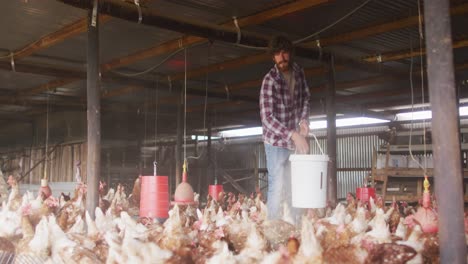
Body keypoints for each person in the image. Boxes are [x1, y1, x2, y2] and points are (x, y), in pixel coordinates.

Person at [259, 35, 311, 221]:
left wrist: (304, 121)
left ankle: (295, 227)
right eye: (277, 54)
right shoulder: (269, 81)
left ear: (290, 53)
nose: (282, 57)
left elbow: (305, 98)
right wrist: (293, 134)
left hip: (293, 140)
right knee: (277, 185)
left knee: (293, 185)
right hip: (275, 142)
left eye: (285, 52)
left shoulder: (298, 72)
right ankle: (273, 229)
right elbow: (267, 119)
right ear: (273, 57)